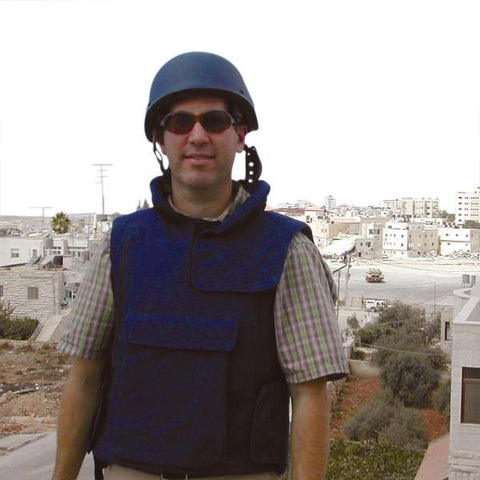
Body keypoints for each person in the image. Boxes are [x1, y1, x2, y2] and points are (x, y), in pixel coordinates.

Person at [52, 51, 349, 480]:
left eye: (214, 121)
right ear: (161, 138)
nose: (196, 136)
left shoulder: (288, 250)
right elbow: (84, 378)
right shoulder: (121, 244)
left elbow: (309, 396)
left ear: (240, 134)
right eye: (179, 122)